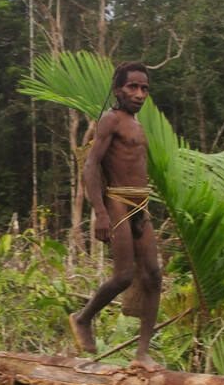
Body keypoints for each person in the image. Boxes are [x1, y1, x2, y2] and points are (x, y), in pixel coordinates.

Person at [69, 62, 162, 368]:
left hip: (140, 203)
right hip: (118, 201)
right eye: (132, 87)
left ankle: (142, 354)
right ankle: (83, 318)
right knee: (123, 275)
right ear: (117, 89)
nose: (139, 94)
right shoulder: (110, 119)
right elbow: (91, 164)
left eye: (144, 88)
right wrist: (100, 213)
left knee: (153, 274)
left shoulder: (137, 123)